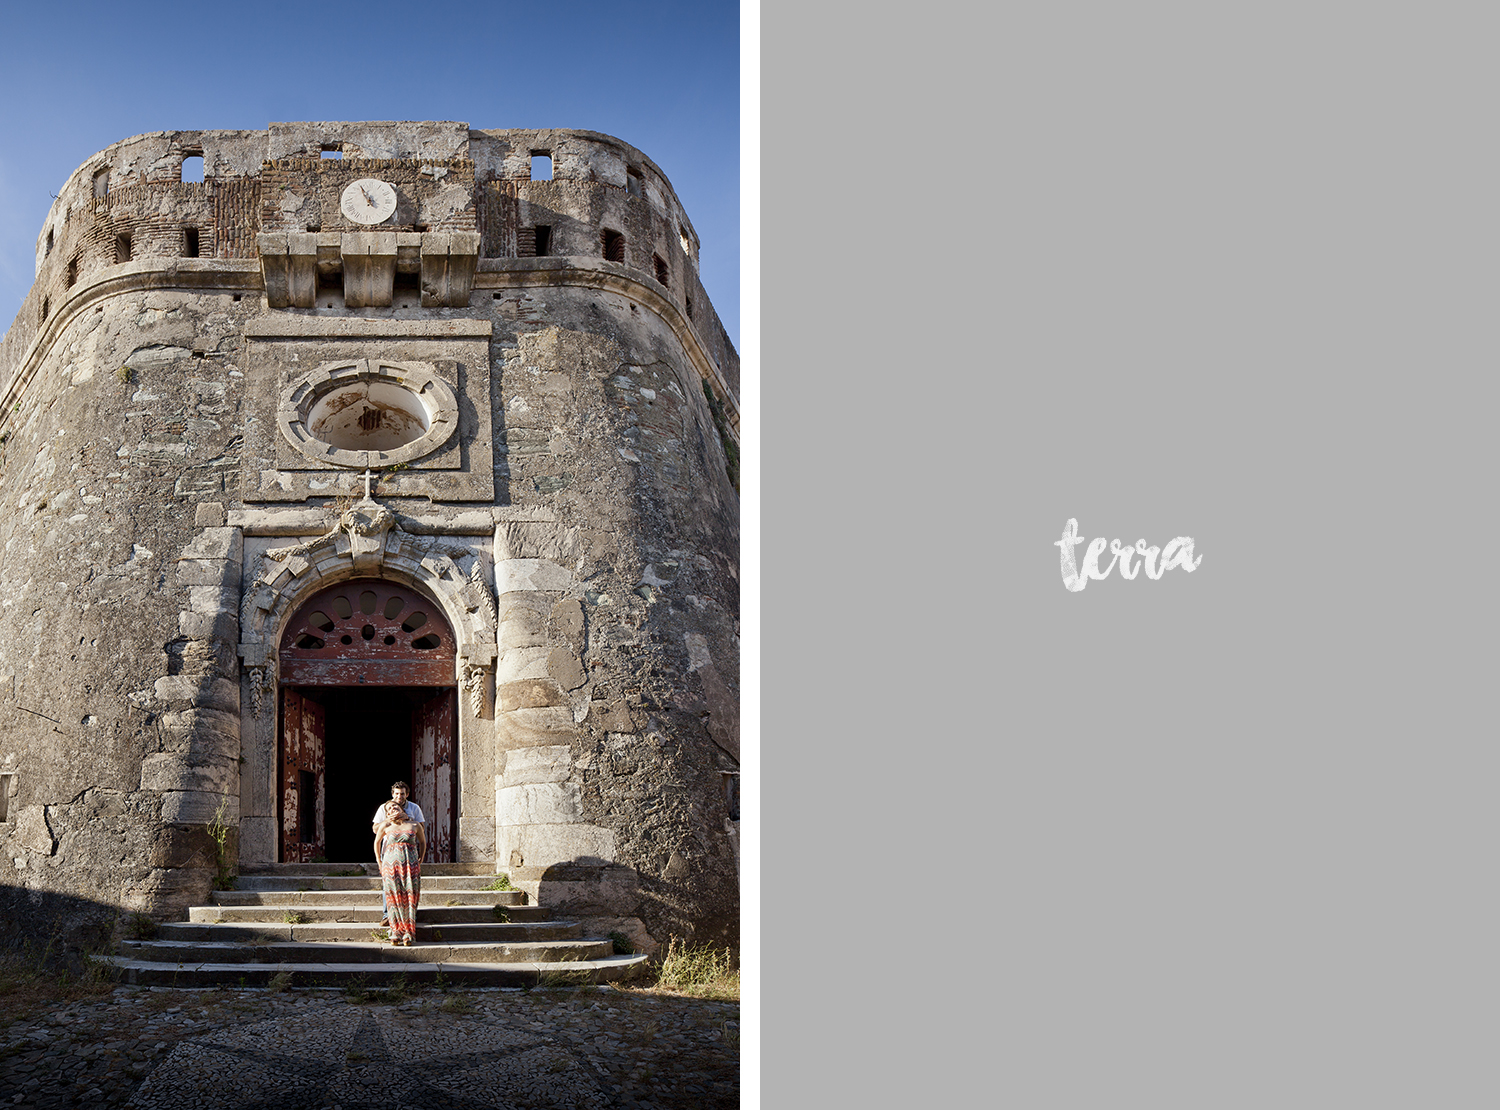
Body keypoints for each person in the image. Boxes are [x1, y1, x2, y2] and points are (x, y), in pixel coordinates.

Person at [372, 782, 424, 927]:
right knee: (389, 884)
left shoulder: (414, 808)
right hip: (389, 852)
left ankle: (409, 916)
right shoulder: (385, 808)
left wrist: (406, 819)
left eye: (401, 794)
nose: (398, 797)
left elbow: (421, 828)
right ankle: (387, 915)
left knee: (409, 884)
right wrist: (390, 820)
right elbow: (375, 829)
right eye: (396, 793)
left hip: (408, 853)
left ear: (407, 794)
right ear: (392, 794)